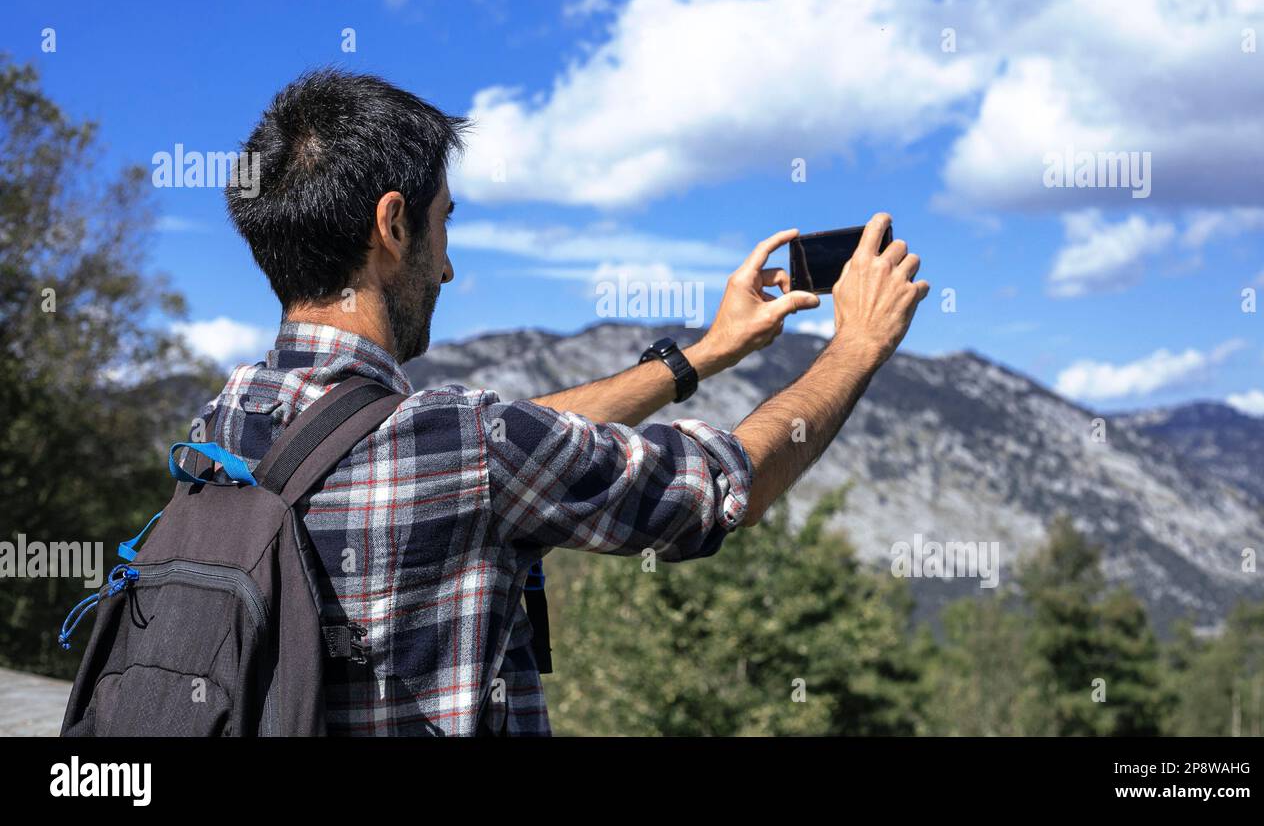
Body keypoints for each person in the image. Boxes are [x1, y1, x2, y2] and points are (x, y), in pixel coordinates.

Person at [210, 68, 929, 735]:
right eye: (443, 223)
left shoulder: (224, 423)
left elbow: (509, 443)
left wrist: (706, 353)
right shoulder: (465, 447)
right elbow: (721, 487)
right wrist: (858, 344)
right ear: (393, 226)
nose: (449, 266)